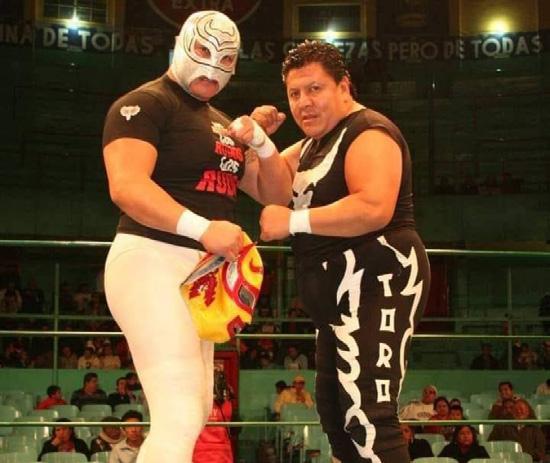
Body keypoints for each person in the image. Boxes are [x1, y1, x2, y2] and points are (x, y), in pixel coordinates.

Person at [102, 10, 289, 462]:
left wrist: (261, 142)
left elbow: (275, 195)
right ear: (180, 44)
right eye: (204, 51)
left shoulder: (222, 123)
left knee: (199, 406)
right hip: (151, 258)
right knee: (181, 414)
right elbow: (126, 186)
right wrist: (203, 229)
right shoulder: (144, 104)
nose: (212, 67)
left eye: (226, 59)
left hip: (200, 274)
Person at [243, 40, 431, 462]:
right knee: (335, 414)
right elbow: (263, 186)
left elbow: (374, 207)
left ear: (343, 87)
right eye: (294, 93)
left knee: (368, 415)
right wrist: (257, 141)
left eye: (315, 89)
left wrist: (294, 222)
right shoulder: (310, 147)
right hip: (338, 297)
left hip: (379, 280)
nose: (304, 103)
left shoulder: (369, 132)